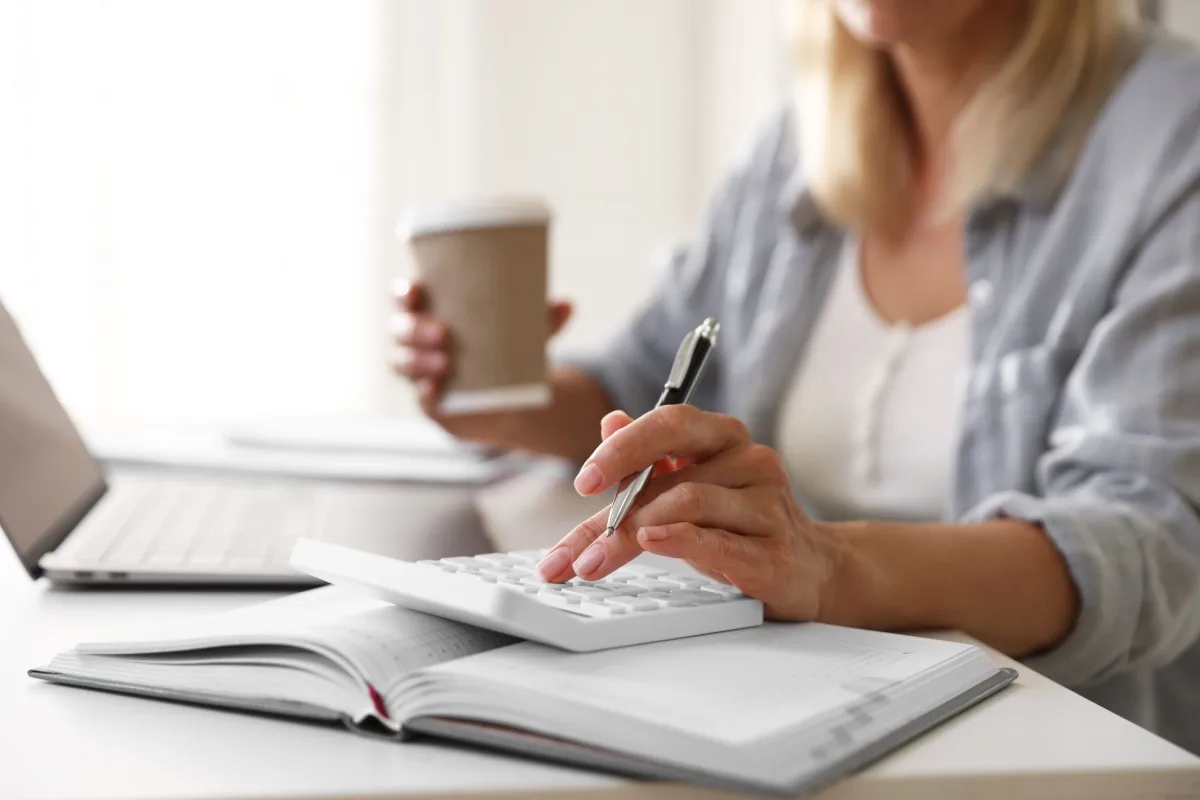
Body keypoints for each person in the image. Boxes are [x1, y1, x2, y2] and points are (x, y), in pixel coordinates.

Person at [391, 0, 1200, 753]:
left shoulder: (1170, 135)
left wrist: (828, 566)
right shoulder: (795, 145)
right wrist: (494, 400)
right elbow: (647, 382)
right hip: (781, 719)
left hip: (1048, 749)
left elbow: (1152, 549)